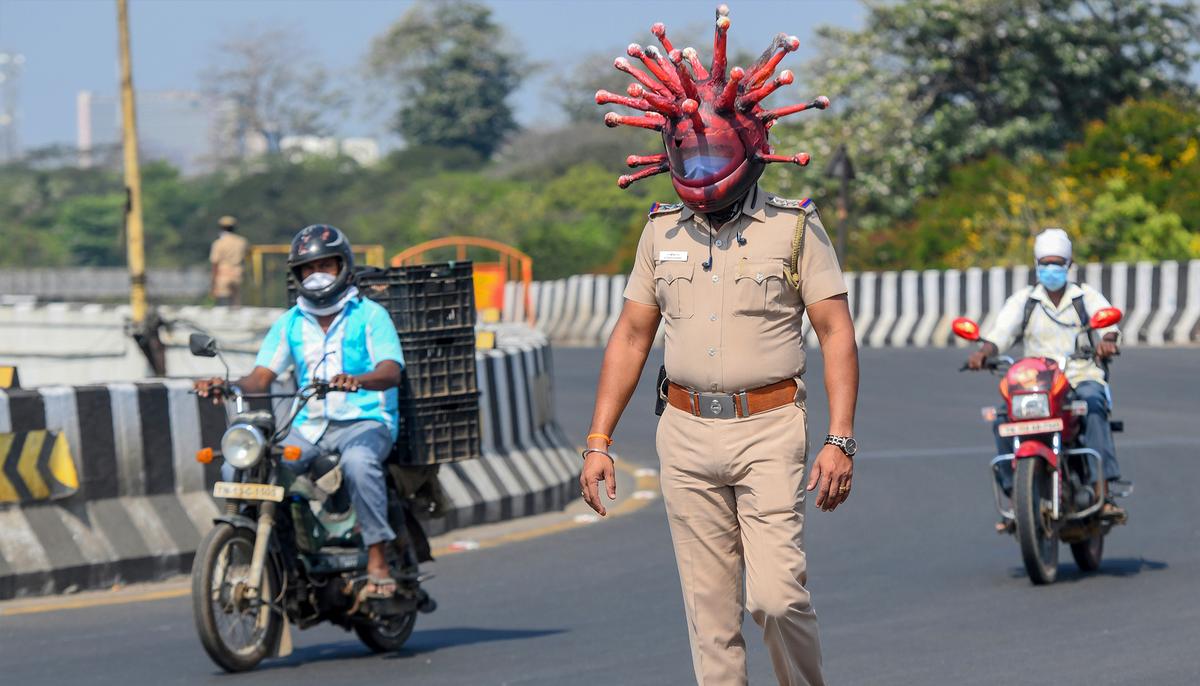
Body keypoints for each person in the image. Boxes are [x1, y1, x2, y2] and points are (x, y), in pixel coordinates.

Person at [583, 7, 856, 684]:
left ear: (749, 148)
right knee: (710, 617)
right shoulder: (659, 234)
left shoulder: (794, 230)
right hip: (683, 432)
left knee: (776, 598)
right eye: (689, 155)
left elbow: (835, 333)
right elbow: (631, 338)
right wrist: (598, 441)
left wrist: (840, 437)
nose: (701, 171)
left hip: (769, 428)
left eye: (714, 153)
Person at [195, 224, 405, 597]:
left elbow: (391, 371)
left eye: (325, 265)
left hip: (366, 420)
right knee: (244, 465)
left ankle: (377, 557)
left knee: (359, 464)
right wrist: (227, 385)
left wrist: (358, 379)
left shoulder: (370, 315)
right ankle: (270, 550)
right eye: (308, 268)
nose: (316, 274)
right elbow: (261, 377)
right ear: (297, 274)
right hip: (307, 426)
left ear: (343, 266)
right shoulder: (290, 322)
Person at [967, 228, 1123, 520]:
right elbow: (1000, 332)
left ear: (1069, 264)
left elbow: (1108, 323)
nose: (1051, 269)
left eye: (1057, 262)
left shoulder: (1084, 297)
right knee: (1002, 418)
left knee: (1093, 403)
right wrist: (983, 353)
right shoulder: (1024, 301)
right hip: (1036, 383)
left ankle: (1103, 489)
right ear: (1036, 264)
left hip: (1079, 375)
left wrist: (1108, 342)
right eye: (1045, 262)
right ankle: (1018, 496)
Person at [209, 215, 249, 306]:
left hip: (223, 274)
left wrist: (213, 284)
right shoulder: (242, 241)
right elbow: (246, 256)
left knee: (223, 303)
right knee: (236, 302)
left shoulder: (218, 243)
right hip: (237, 273)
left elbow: (215, 263)